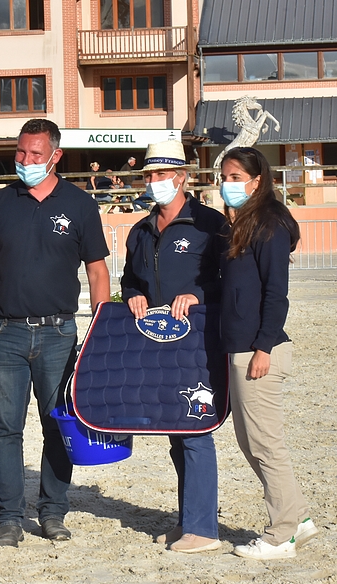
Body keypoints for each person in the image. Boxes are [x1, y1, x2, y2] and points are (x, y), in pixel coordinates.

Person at [0, 119, 111, 547]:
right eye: (20, 153)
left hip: (58, 334)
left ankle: (52, 512)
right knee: (6, 429)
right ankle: (8, 518)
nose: (26, 161)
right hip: (5, 334)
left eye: (35, 154)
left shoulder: (81, 205)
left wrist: (99, 334)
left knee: (56, 426)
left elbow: (98, 272)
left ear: (55, 156)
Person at [121, 139, 228, 554]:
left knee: (195, 429)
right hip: (156, 344)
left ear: (181, 177)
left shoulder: (210, 224)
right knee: (174, 430)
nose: (154, 182)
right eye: (148, 175)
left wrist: (198, 294)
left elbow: (227, 281)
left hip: (198, 341)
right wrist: (131, 294)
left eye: (161, 174)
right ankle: (189, 519)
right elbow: (132, 279)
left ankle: (203, 529)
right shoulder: (140, 231)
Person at [219, 147, 318, 560]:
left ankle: (281, 536)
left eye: (237, 175)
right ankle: (299, 518)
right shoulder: (245, 222)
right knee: (251, 441)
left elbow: (277, 294)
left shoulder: (270, 225)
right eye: (225, 174)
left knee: (264, 445)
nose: (228, 183)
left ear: (257, 180)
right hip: (241, 345)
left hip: (260, 350)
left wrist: (263, 346)